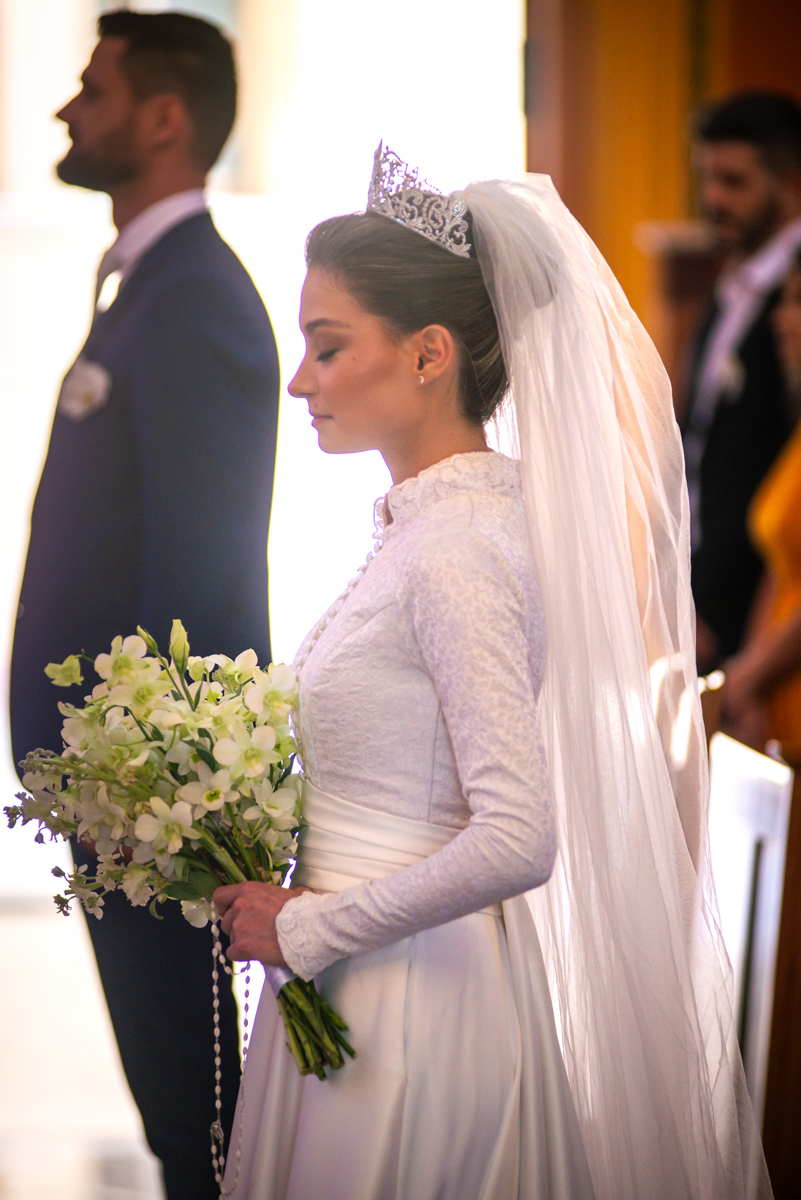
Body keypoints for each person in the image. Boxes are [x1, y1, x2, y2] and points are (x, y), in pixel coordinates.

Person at [212, 149, 770, 1199]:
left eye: (327, 348)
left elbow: (518, 832)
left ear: (428, 355)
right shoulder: (438, 529)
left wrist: (306, 925)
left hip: (412, 1012)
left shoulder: (458, 549)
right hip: (380, 987)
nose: (300, 381)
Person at [9, 11, 279, 1199]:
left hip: (153, 803)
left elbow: (204, 575)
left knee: (199, 1117)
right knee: (179, 1110)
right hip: (112, 787)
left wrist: (165, 801)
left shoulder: (199, 304)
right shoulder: (144, 286)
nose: (71, 109)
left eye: (95, 89)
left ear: (164, 119)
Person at [683, 91, 801, 672]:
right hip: (702, 596)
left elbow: (773, 470)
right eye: (707, 178)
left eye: (733, 181)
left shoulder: (793, 302)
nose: (713, 199)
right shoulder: (731, 283)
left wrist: (713, 608)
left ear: (789, 183)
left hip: (759, 622)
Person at [723, 249, 801, 758]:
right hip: (776, 696)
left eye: (797, 301)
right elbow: (782, 564)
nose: (781, 317)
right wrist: (746, 674)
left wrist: (748, 675)